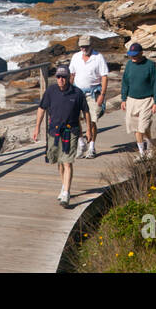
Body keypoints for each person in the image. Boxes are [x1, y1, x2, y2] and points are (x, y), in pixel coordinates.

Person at [33, 64, 90, 208]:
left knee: (67, 162)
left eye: (64, 77)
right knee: (59, 162)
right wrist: (37, 127)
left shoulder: (77, 93)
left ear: (69, 77)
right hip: (54, 132)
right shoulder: (50, 91)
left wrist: (88, 130)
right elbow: (41, 109)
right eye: (58, 77)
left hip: (70, 131)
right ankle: (63, 185)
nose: (61, 80)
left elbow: (86, 112)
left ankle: (66, 192)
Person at [69, 35, 110, 159]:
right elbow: (72, 74)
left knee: (92, 120)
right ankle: (81, 144)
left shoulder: (98, 57)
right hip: (77, 91)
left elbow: (104, 76)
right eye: (82, 46)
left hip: (93, 92)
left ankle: (91, 146)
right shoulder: (75, 57)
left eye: (86, 46)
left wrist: (102, 94)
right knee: (75, 119)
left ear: (91, 45)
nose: (84, 48)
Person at [120, 42, 156, 159]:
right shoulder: (129, 65)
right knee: (136, 128)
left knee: (141, 128)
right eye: (131, 55)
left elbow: (155, 84)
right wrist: (123, 99)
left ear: (142, 53)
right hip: (131, 100)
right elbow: (125, 83)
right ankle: (145, 151)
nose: (133, 57)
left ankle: (145, 152)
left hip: (147, 100)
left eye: (135, 55)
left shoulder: (150, 65)